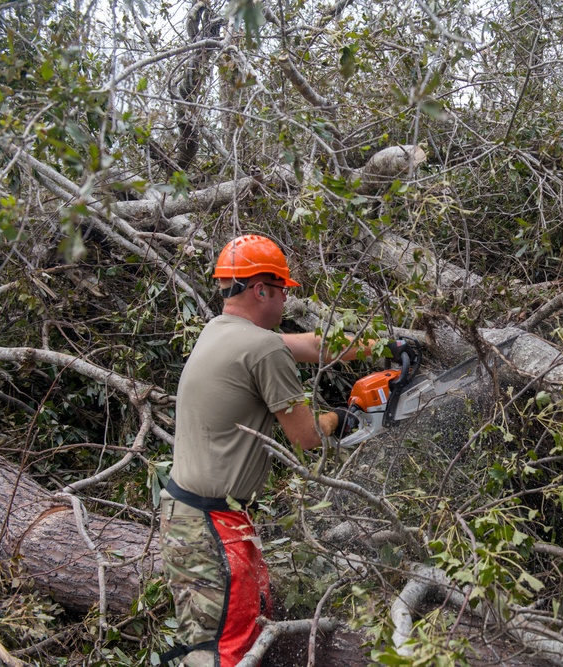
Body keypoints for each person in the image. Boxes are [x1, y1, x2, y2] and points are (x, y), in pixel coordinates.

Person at [159, 234, 406, 667]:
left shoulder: (223, 332)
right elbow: (307, 437)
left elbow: (313, 345)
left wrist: (387, 346)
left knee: (224, 638)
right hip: (214, 528)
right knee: (229, 651)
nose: (285, 303)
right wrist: (345, 417)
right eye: (282, 293)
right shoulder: (262, 347)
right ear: (261, 290)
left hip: (189, 516)